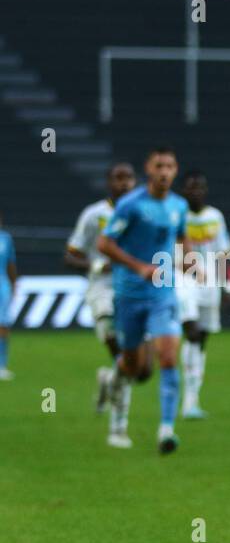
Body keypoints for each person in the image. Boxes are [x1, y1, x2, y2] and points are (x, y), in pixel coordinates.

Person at [97, 145, 191, 452]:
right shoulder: (130, 205)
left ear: (175, 171)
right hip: (130, 295)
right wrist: (138, 267)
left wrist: (189, 260)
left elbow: (179, 236)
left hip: (163, 292)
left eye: (170, 166)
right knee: (135, 367)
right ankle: (115, 393)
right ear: (148, 170)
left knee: (167, 355)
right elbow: (104, 244)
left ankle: (166, 430)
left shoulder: (178, 205)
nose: (164, 172)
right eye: (159, 166)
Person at [67, 162, 137, 410]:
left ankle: (109, 378)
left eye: (128, 177)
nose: (124, 183)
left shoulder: (143, 212)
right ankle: (119, 421)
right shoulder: (94, 215)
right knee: (108, 321)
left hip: (134, 287)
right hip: (102, 286)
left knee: (135, 360)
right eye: (118, 178)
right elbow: (71, 255)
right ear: (109, 183)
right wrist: (97, 266)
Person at [176, 170, 230, 420]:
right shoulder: (177, 214)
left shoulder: (215, 217)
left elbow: (224, 253)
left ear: (205, 190)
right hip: (182, 277)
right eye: (191, 187)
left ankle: (192, 398)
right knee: (190, 331)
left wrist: (228, 286)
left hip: (210, 280)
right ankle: (187, 401)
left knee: (201, 339)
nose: (196, 191)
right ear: (184, 190)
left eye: (199, 187)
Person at [0, 213, 16, 381]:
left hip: (1, 285)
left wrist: (13, 285)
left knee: (3, 325)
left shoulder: (5, 239)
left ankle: (1, 365)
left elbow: (11, 264)